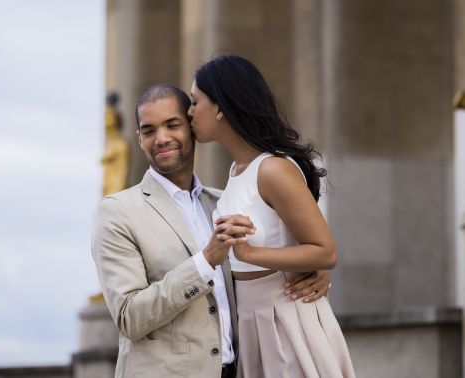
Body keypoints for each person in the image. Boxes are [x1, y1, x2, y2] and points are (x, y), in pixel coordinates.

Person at [91, 84, 332, 377]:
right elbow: (129, 317)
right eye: (149, 130)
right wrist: (204, 262)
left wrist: (312, 273)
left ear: (191, 127)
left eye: (172, 124)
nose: (162, 138)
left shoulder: (223, 202)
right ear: (139, 138)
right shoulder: (117, 212)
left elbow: (263, 268)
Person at [189, 55, 355, 378]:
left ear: (221, 107)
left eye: (195, 102)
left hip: (287, 324)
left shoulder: (273, 169)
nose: (189, 111)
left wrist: (252, 253)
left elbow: (325, 251)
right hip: (251, 325)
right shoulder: (236, 171)